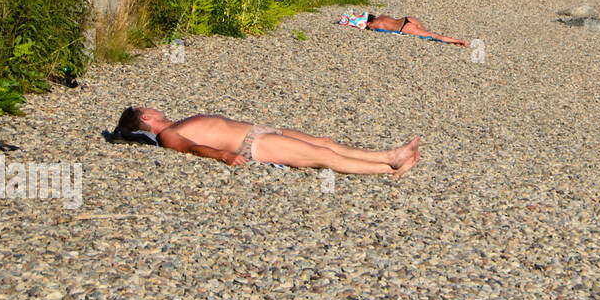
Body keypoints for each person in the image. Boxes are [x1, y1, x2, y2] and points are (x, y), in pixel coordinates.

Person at [111, 108, 422, 175]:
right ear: (146, 119)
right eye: (147, 109)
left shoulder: (174, 123)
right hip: (253, 145)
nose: (154, 108)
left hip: (260, 130)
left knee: (325, 142)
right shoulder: (167, 134)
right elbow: (190, 148)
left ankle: (390, 154)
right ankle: (389, 169)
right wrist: (222, 156)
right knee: (324, 157)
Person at [342, 11, 467, 45]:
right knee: (429, 33)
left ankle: (457, 41)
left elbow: (359, 25)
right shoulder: (382, 16)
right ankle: (450, 40)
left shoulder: (373, 25)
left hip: (403, 28)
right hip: (407, 19)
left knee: (433, 37)